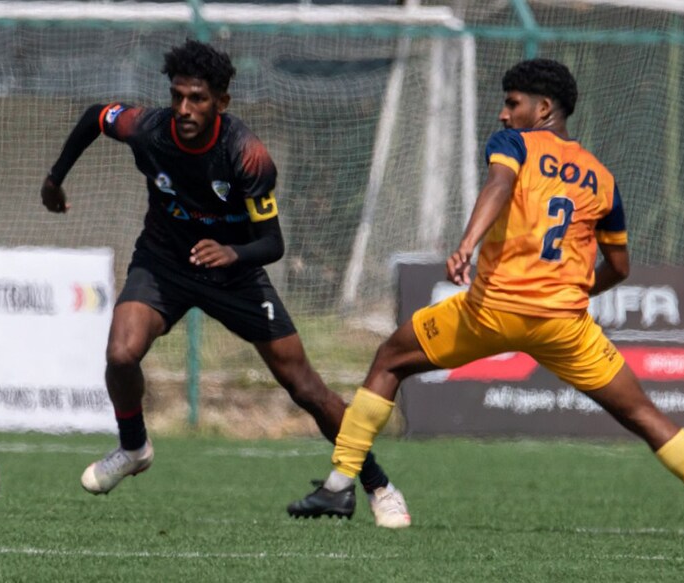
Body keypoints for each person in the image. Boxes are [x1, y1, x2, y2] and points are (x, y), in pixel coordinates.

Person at [288, 58, 684, 539]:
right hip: (564, 325)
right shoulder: (602, 178)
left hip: (492, 311)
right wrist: (574, 290)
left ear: (543, 108)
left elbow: (499, 184)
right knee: (642, 413)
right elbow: (620, 267)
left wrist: (466, 244)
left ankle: (340, 485)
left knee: (391, 360)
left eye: (512, 103)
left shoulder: (514, 143)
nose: (503, 114)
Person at [40, 39, 410, 528]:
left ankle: (379, 485)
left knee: (305, 386)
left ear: (221, 101)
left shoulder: (247, 155)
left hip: (235, 274)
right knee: (121, 353)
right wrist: (55, 179)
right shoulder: (149, 129)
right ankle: (133, 448)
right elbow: (95, 116)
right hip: (164, 262)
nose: (184, 109)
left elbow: (273, 243)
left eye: (197, 99)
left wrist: (233, 253)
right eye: (177, 96)